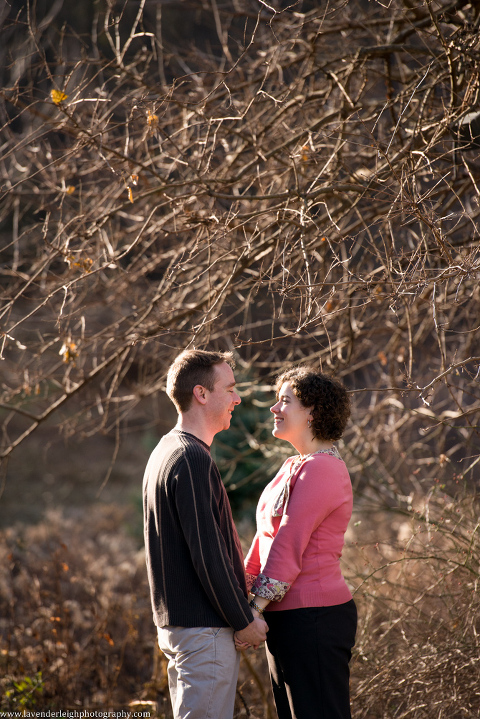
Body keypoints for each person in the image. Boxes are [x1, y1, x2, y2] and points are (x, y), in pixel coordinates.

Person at [143, 349, 268, 719]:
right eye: (229, 388)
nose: (237, 397)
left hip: (184, 630)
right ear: (201, 393)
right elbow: (207, 555)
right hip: (203, 634)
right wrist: (243, 621)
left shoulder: (165, 450)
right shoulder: (191, 458)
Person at [236, 367, 356, 719]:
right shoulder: (293, 465)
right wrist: (236, 603)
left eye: (285, 401)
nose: (274, 408)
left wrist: (251, 612)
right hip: (286, 620)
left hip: (315, 620)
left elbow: (289, 542)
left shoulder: (324, 470)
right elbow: (263, 541)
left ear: (312, 412)